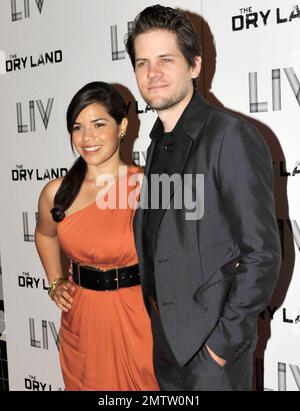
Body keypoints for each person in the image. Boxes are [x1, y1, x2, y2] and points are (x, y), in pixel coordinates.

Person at [125, 5, 281, 391]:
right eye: (142, 62)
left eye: (166, 59)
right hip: (166, 344)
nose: (152, 73)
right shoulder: (158, 142)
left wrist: (220, 346)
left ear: (194, 66)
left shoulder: (231, 137)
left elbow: (262, 253)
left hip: (211, 356)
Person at [35, 81, 159, 391]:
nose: (87, 137)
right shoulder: (57, 192)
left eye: (98, 124)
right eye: (77, 128)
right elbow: (44, 234)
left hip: (137, 318)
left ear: (122, 126)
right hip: (83, 320)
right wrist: (54, 281)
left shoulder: (148, 187)